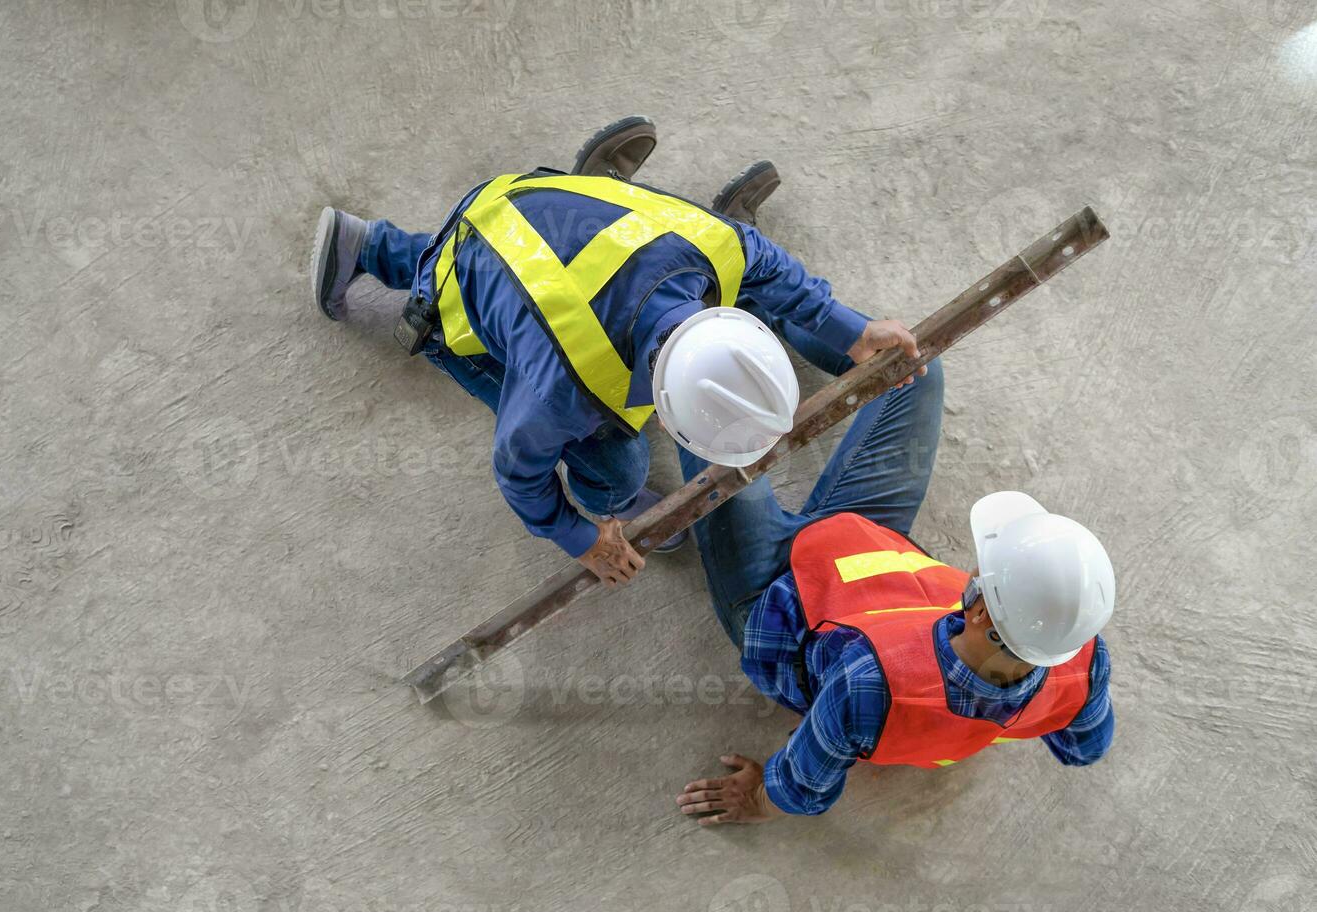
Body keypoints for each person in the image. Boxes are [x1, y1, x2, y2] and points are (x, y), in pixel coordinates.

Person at [310, 116, 922, 586]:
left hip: (531, 202)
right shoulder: (563, 391)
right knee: (620, 463)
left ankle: (368, 243)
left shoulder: (719, 242)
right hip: (471, 272)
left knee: (504, 268)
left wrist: (854, 331)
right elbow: (517, 471)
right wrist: (581, 537)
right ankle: (616, 502)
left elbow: (781, 276)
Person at [671, 360, 1117, 825]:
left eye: (984, 570)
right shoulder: (1082, 658)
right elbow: (1085, 748)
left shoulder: (869, 679)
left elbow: (804, 788)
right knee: (914, 366)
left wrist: (758, 799)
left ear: (982, 611)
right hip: (872, 548)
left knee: (705, 395)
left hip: (773, 599)